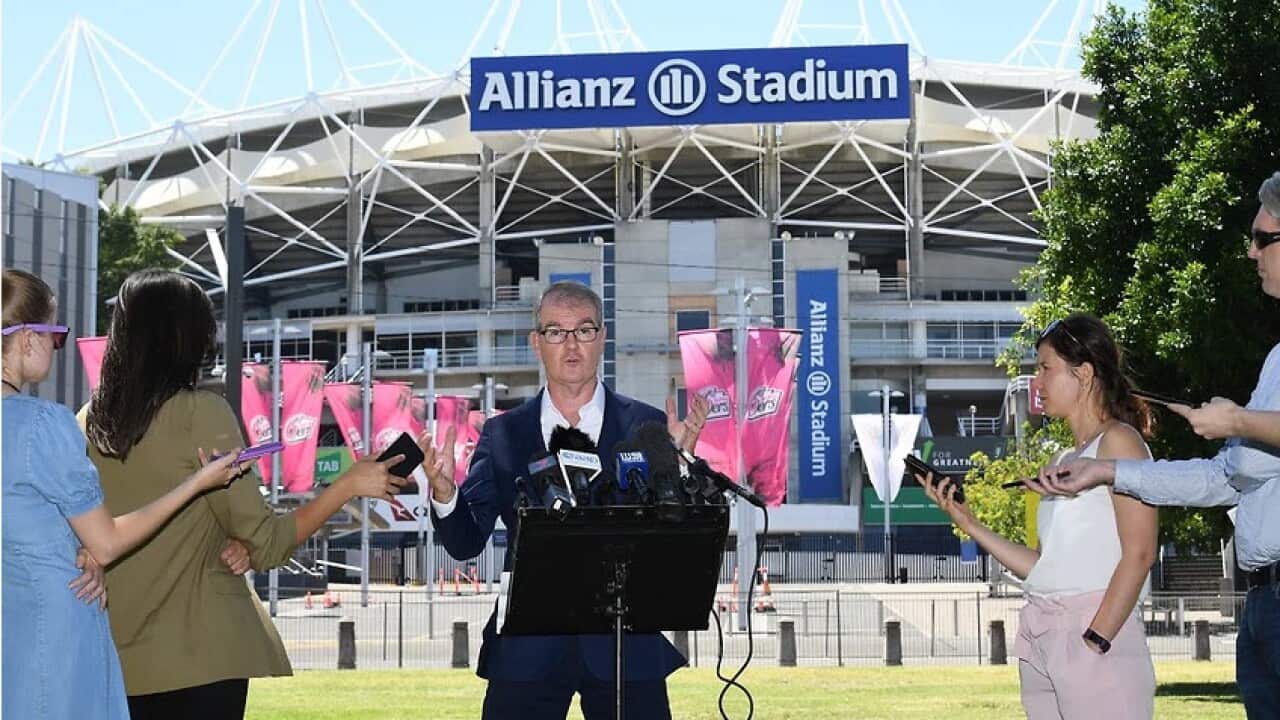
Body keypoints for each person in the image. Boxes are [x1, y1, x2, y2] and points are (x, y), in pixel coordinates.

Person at [79, 269, 408, 720]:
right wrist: (348, 485)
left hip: (112, 661)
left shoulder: (85, 423)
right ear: (187, 336)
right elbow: (268, 542)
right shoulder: (201, 413)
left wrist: (227, 537)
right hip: (202, 659)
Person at [1036, 171, 1280, 718]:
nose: (1250, 252)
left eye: (1262, 238)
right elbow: (1223, 477)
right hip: (1264, 603)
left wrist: (1238, 421)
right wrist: (1108, 473)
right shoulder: (1276, 360)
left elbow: (1143, 550)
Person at [421, 281, 710, 720]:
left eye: (584, 330)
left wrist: (681, 467)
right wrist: (445, 493)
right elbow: (465, 543)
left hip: (625, 643)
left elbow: (674, 539)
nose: (571, 344)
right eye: (556, 331)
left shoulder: (647, 425)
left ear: (602, 337)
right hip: (527, 648)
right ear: (536, 342)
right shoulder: (504, 434)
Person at [1, 268, 245, 720]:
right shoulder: (42, 426)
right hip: (56, 627)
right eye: (55, 336)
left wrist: (78, 549)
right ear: (29, 339)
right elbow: (107, 543)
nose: (55, 348)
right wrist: (198, 482)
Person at [920, 312, 1158, 719]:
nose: (1037, 383)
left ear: (1083, 373)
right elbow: (1044, 566)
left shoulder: (1120, 442)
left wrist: (1097, 638)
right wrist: (969, 523)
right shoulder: (1062, 460)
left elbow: (1141, 552)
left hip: (1095, 636)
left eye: (1046, 368)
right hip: (1044, 635)